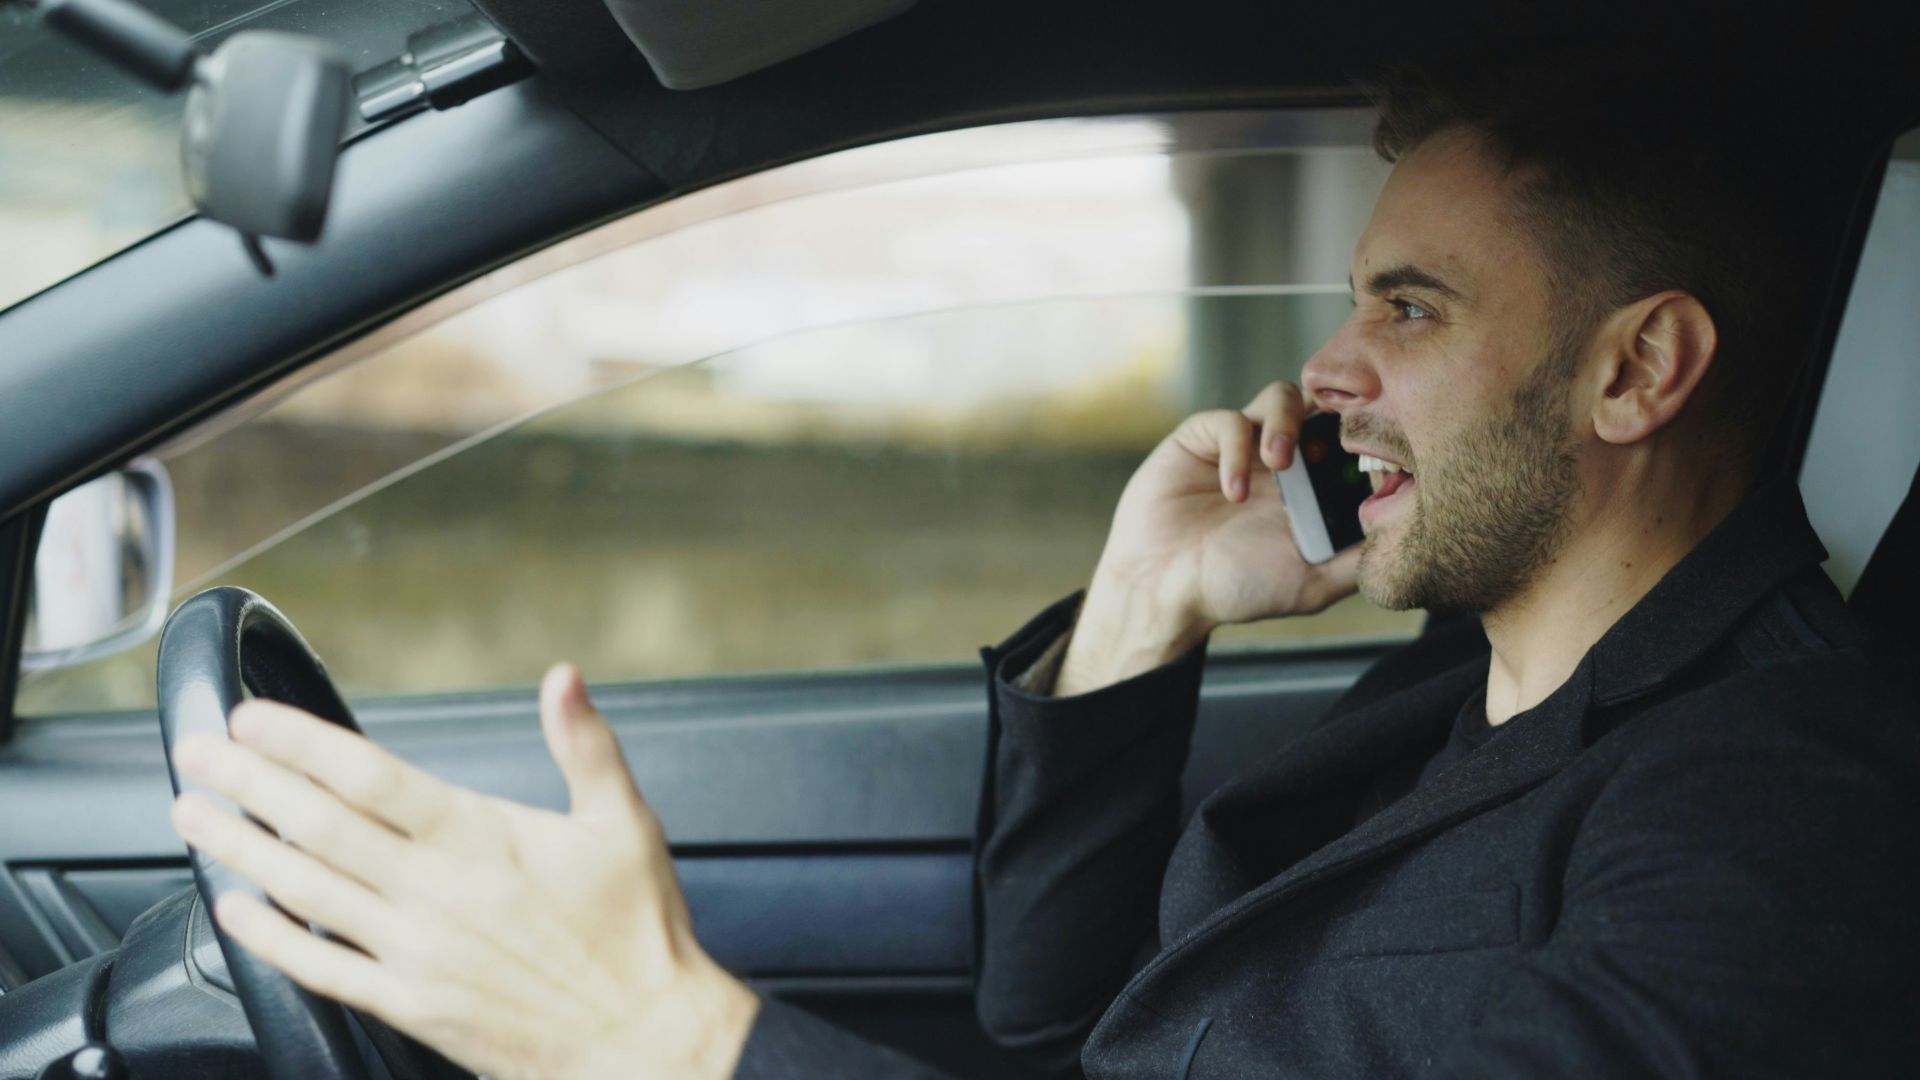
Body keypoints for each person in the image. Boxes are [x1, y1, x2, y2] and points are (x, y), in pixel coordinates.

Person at [165, 45, 1919, 1080]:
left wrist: (675, 1043)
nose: (1327, 369)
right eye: (1354, 302)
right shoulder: (1466, 679)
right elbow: (1061, 1025)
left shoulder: (1783, 825)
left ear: (1638, 369)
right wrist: (1146, 612)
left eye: (1410, 308)